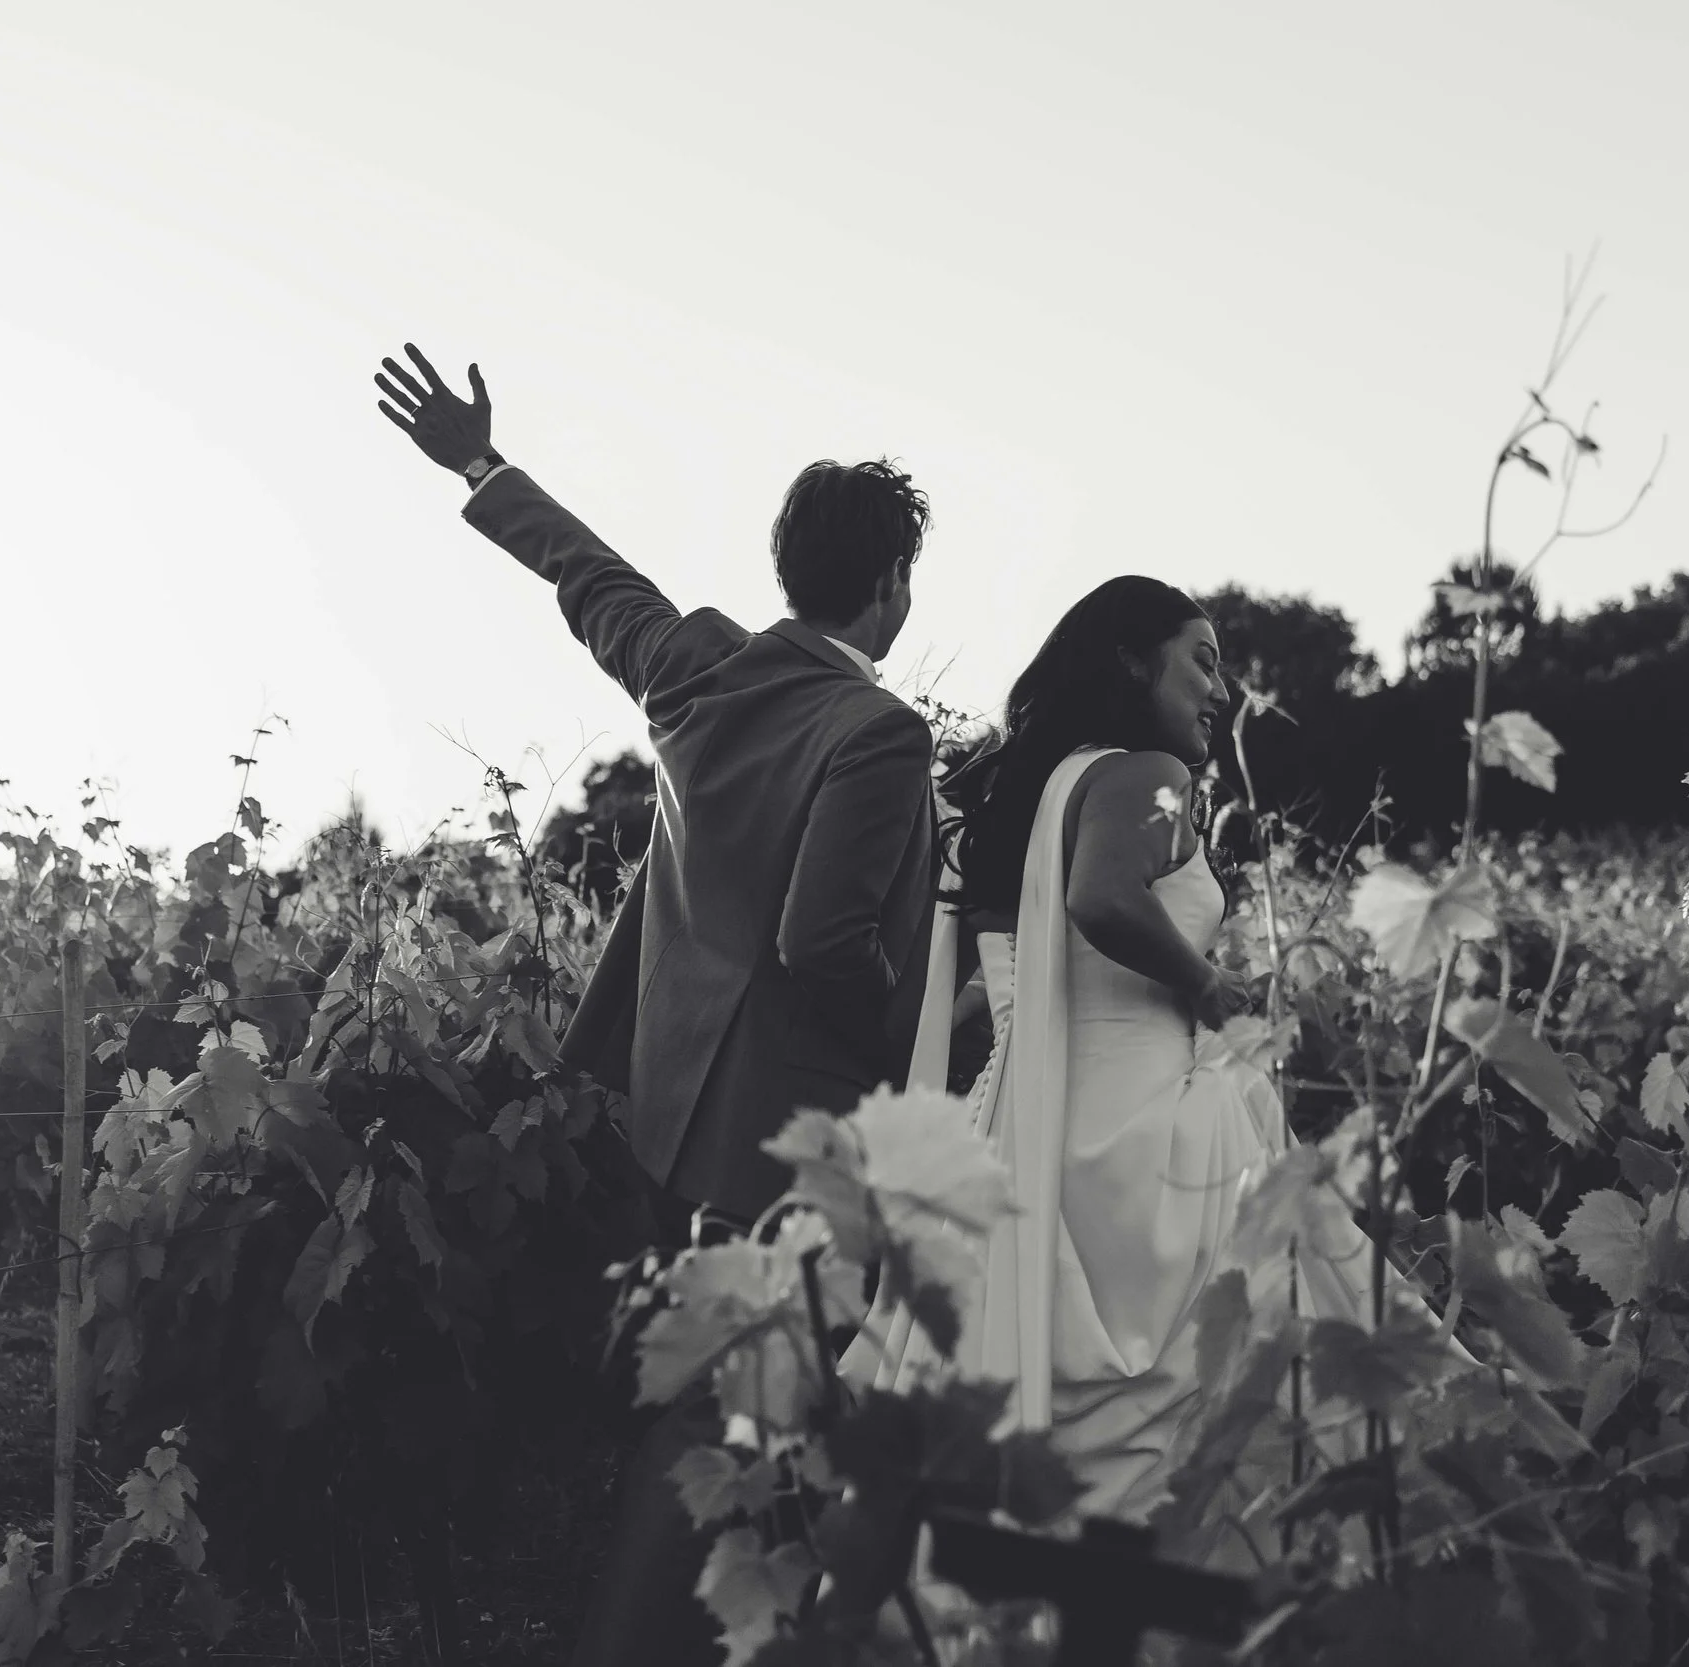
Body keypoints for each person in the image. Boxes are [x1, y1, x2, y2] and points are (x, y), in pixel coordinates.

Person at [374, 344, 941, 1666]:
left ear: (790, 566)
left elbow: (589, 575)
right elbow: (826, 941)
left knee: (720, 1415)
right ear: (895, 585)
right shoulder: (881, 734)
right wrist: (919, 1029)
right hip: (788, 1131)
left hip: (655, 1111)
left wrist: (477, 460)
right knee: (736, 1420)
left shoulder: (695, 666)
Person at [848, 576, 1381, 1532]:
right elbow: (1102, 899)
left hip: (1023, 1135)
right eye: (1204, 661)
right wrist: (1210, 988)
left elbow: (997, 980)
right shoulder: (1147, 776)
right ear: (1132, 661)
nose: (1222, 691)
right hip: (1146, 1127)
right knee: (1246, 1364)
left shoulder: (1027, 798)